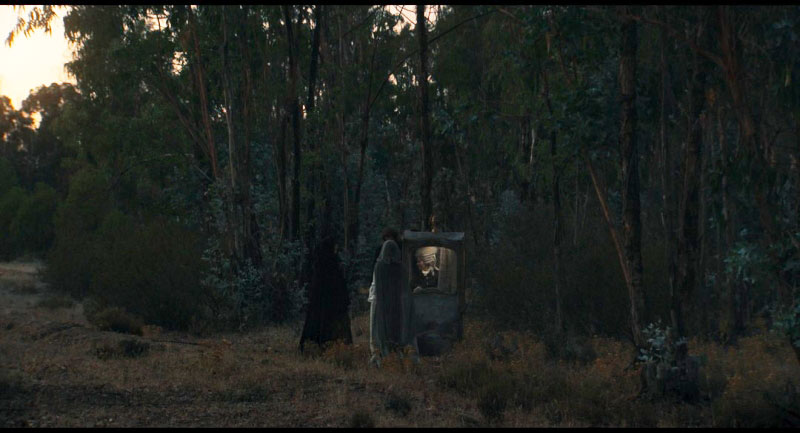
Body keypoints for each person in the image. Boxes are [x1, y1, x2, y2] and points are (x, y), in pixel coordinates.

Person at [368, 228, 403, 367]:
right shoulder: (380, 261)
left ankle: (390, 349)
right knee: (378, 324)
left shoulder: (398, 260)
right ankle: (378, 351)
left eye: (391, 238)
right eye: (386, 238)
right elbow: (375, 279)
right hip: (380, 297)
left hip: (393, 297)